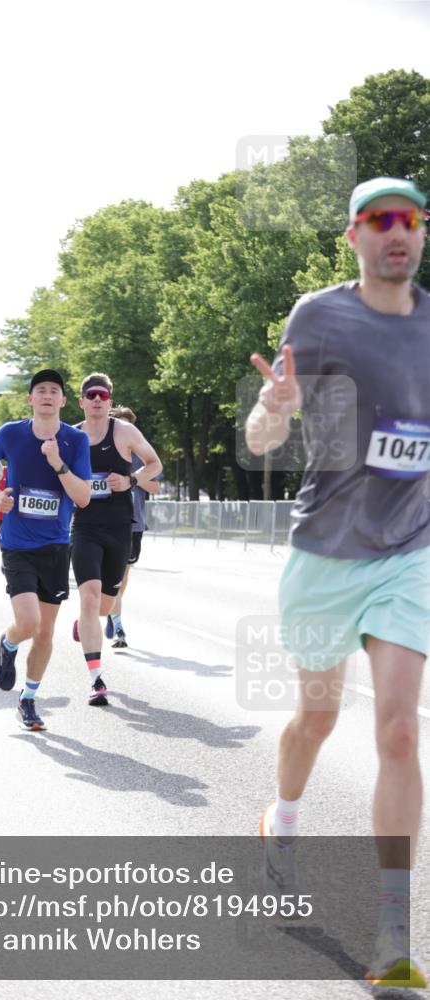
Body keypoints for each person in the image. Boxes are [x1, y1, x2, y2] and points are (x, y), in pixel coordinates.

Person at [245, 177, 429, 989]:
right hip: (324, 552)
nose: (397, 231)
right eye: (380, 220)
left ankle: (393, 933)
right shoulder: (317, 316)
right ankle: (282, 821)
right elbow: (261, 436)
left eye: (409, 219)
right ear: (353, 235)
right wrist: (275, 406)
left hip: (409, 551)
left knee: (397, 732)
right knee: (316, 718)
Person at [0, 369, 91, 731]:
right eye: (40, 390)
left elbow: (83, 497)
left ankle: (28, 699)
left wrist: (58, 463)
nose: (46, 395)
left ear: (63, 401)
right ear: (30, 398)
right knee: (28, 623)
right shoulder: (11, 433)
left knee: (44, 633)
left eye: (54, 390)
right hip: (17, 544)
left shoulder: (76, 440)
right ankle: (9, 643)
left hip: (55, 546)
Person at [71, 373, 162, 705]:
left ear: (109, 400)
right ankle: (96, 679)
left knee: (105, 605)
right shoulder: (71, 436)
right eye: (91, 395)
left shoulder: (124, 431)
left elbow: (154, 464)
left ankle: (85, 623)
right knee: (90, 597)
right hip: (84, 528)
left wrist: (130, 481)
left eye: (103, 395)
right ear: (81, 401)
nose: (97, 399)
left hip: (119, 526)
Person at [104, 406, 161, 648]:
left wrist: (133, 477)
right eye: (122, 424)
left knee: (121, 577)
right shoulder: (101, 450)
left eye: (130, 425)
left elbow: (156, 487)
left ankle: (112, 611)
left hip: (134, 523)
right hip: (103, 521)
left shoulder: (141, 454)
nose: (126, 429)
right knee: (108, 576)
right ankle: (117, 623)